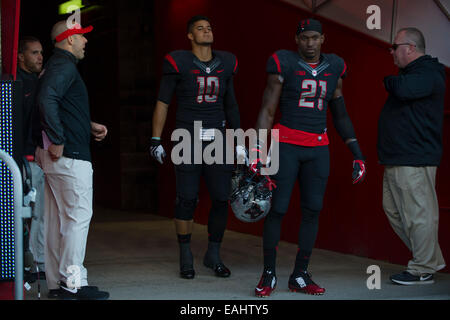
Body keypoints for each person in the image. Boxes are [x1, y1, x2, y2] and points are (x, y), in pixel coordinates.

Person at [253, 18, 366, 297]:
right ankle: (268, 274)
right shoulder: (284, 63)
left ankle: (300, 275)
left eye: (315, 38)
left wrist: (357, 153)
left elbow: (340, 113)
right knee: (277, 209)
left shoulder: (334, 67)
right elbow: (268, 109)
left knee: (312, 210)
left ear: (323, 39)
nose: (310, 43)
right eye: (305, 38)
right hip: (286, 144)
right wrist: (257, 148)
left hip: (318, 147)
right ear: (296, 40)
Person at [150, 15, 244, 280]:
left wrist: (238, 142)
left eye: (209, 27)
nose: (206, 31)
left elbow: (232, 105)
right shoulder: (178, 61)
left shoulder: (225, 62)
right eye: (200, 28)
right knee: (187, 198)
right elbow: (162, 102)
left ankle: (213, 253)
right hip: (187, 137)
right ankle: (185, 254)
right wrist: (155, 139)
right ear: (190, 36)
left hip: (218, 137)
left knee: (220, 197)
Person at [35, 20, 109, 300]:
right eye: (81, 37)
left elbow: (55, 103)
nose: (85, 42)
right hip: (70, 155)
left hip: (57, 154)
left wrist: (86, 125)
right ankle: (72, 283)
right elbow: (47, 100)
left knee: (57, 222)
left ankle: (58, 286)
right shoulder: (65, 66)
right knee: (77, 218)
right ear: (68, 40)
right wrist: (58, 138)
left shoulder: (54, 67)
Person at [377, 27, 446, 285]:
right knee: (394, 211)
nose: (392, 52)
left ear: (411, 48)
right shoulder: (411, 74)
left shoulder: (428, 72)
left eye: (395, 47)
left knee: (419, 215)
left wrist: (391, 81)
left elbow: (402, 89)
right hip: (398, 158)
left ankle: (422, 268)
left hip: (414, 159)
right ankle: (428, 260)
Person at [16, 36, 46, 282]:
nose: (39, 57)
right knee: (25, 214)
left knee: (40, 214)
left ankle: (36, 264)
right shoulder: (15, 84)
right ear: (20, 57)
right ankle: (26, 265)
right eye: (34, 53)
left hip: (38, 158)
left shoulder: (40, 82)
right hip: (22, 160)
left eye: (41, 53)